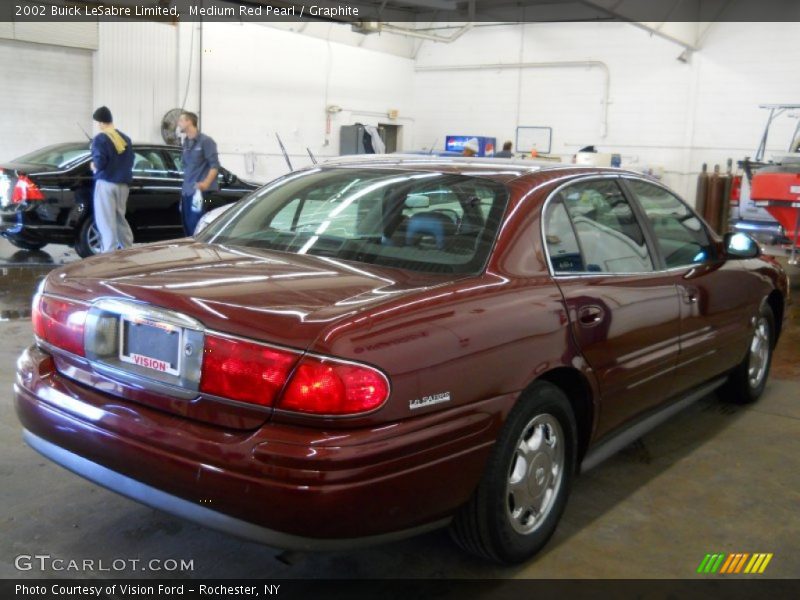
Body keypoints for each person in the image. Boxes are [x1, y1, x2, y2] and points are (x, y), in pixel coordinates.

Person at [90, 106, 134, 253]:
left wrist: (93, 165)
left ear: (102, 123)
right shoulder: (125, 138)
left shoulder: (101, 138)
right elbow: (130, 160)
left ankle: (108, 255)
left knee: (106, 221)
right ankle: (127, 249)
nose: (98, 125)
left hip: (107, 183)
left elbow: (100, 162)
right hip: (123, 185)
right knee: (120, 218)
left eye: (98, 122)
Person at [177, 111, 220, 235]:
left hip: (199, 193)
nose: (178, 124)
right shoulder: (186, 143)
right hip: (187, 192)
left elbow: (215, 166)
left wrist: (205, 183)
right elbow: (187, 168)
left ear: (189, 122)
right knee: (187, 227)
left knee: (197, 227)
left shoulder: (206, 141)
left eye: (181, 120)